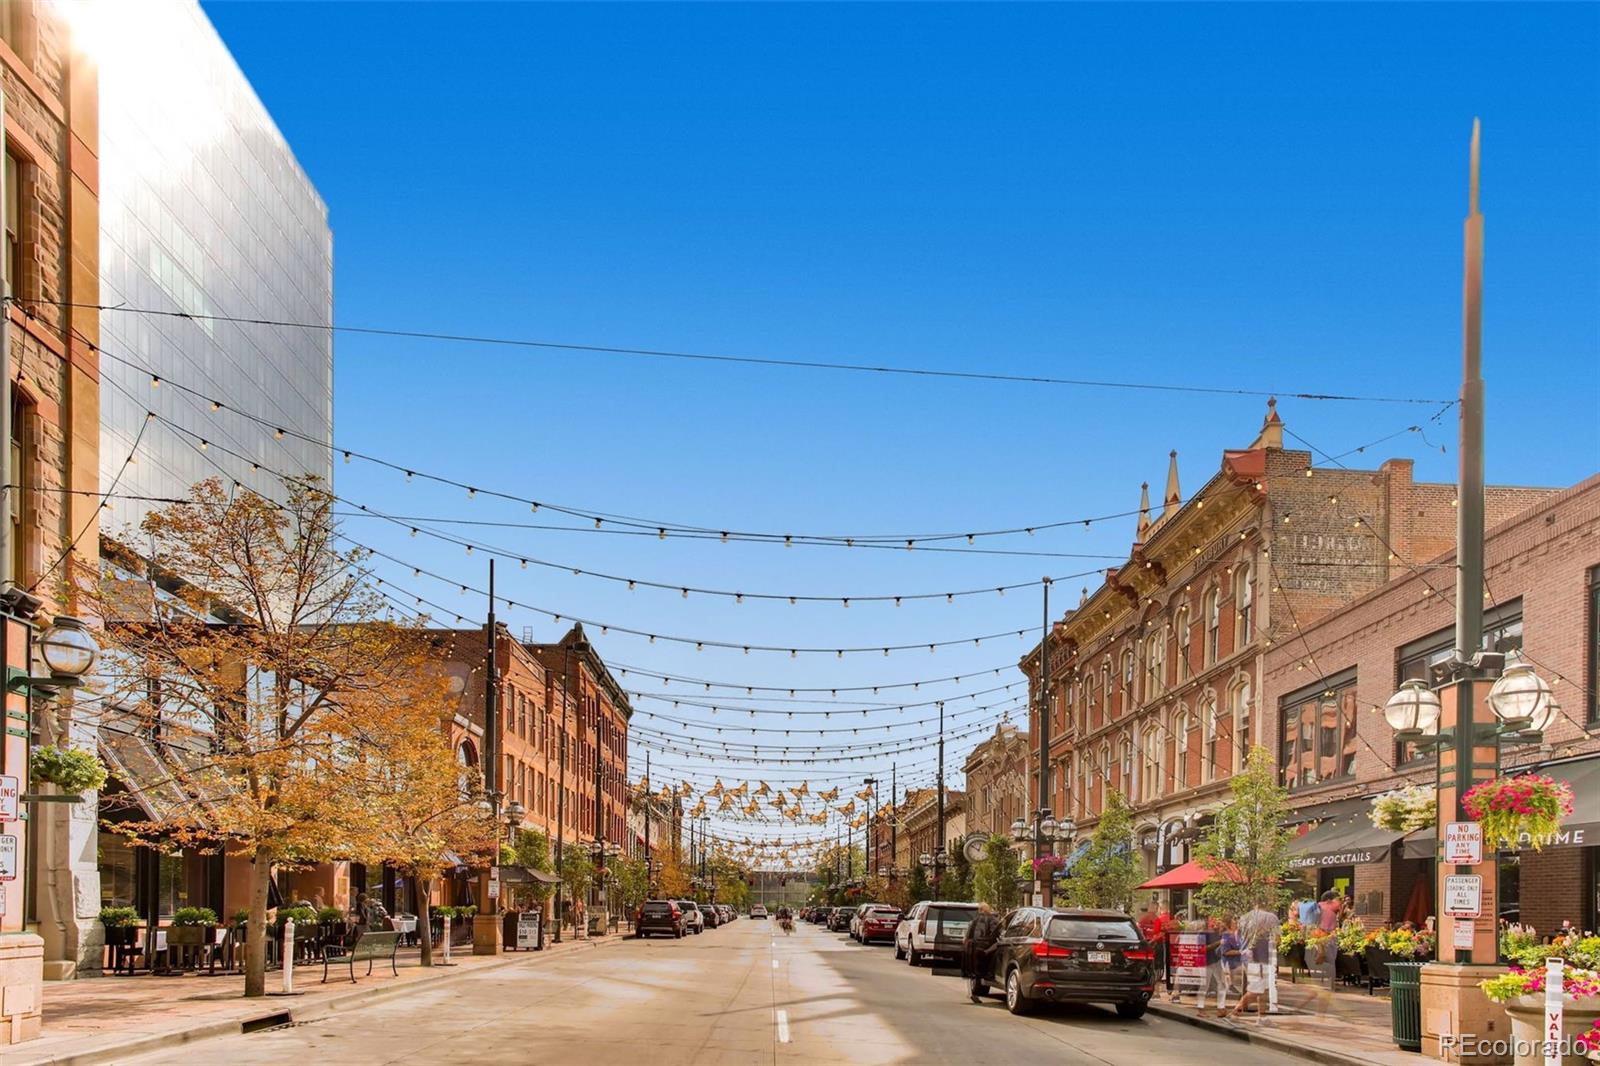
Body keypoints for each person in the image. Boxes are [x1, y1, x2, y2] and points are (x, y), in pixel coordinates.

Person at [1226, 901, 1280, 1024]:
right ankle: (1234, 1013)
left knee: (1262, 988)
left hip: (1247, 956)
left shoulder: (1244, 918)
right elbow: (1277, 938)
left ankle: (1261, 1017)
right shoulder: (1271, 917)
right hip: (1260, 957)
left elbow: (1236, 936)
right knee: (1256, 989)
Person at [962, 902, 1002, 1002]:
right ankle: (988, 973)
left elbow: (967, 937)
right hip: (985, 949)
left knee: (972, 971)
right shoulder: (993, 920)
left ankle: (971, 992)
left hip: (973, 948)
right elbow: (997, 935)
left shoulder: (974, 921)